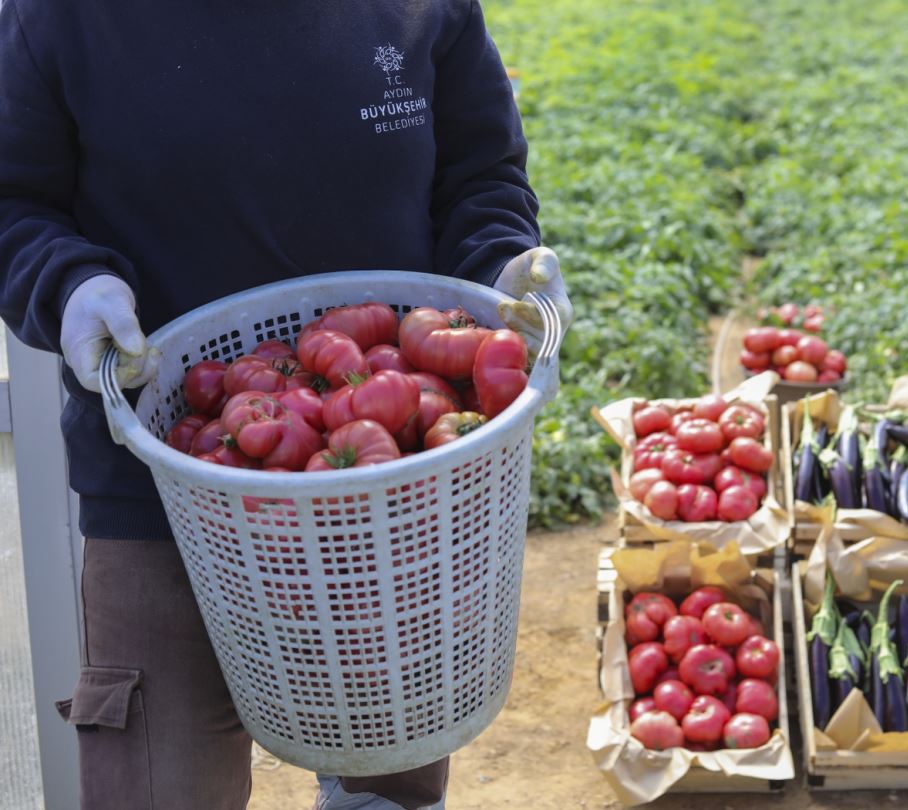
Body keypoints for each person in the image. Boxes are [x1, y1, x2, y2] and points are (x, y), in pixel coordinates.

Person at [0, 0, 571, 807]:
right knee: (157, 784)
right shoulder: (59, 16)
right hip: (163, 484)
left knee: (390, 779)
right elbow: (13, 202)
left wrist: (502, 266)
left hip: (388, 484)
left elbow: (477, 174)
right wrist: (70, 287)